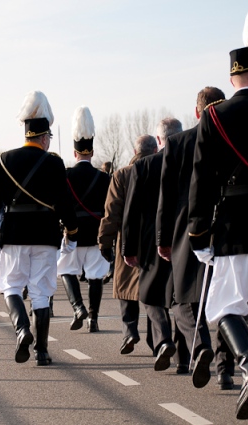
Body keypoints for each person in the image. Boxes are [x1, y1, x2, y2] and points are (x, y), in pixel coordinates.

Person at [187, 46, 248, 421]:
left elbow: (202, 182)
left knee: (224, 307)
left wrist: (199, 233)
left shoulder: (214, 117)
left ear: (232, 79)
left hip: (232, 227)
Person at [0, 90, 78, 366]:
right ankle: (43, 352)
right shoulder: (55, 162)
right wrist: (71, 233)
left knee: (11, 286)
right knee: (41, 292)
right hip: (46, 236)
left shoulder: (3, 160)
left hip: (13, 235)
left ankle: (22, 330)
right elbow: (64, 204)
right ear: (45, 136)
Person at [156, 87, 232, 390]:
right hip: (226, 220)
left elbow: (167, 195)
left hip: (186, 224)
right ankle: (225, 369)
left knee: (183, 295)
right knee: (227, 297)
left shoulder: (177, 142)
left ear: (197, 111)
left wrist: (163, 238)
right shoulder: (230, 134)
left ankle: (200, 346)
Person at [123, 119, 188, 372]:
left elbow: (131, 210)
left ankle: (162, 341)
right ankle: (184, 359)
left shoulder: (145, 164)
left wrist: (128, 248)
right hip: (184, 236)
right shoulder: (190, 161)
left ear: (159, 141)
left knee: (151, 295)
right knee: (182, 297)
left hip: (150, 239)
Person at [98, 135, 157, 354]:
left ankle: (130, 332)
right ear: (154, 149)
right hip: (154, 237)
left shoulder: (122, 174)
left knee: (125, 289)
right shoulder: (160, 169)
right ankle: (156, 339)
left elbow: (111, 211)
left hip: (128, 236)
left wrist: (104, 241)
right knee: (152, 290)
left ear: (135, 150)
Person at [57, 106, 111, 333]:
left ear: (75, 152)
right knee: (96, 276)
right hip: (96, 232)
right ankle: (94, 318)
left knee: (66, 270)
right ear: (92, 151)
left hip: (74, 232)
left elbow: (60, 205)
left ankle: (78, 308)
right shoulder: (103, 177)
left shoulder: (66, 175)